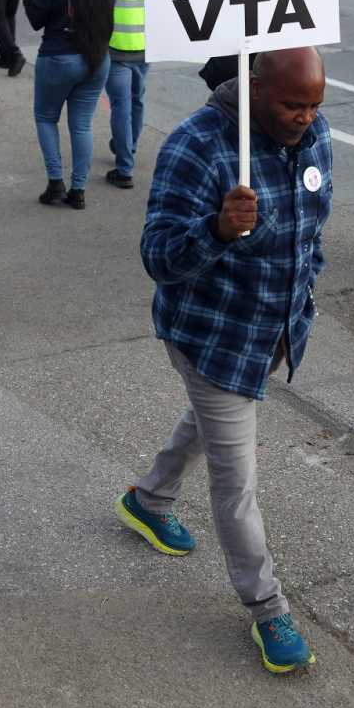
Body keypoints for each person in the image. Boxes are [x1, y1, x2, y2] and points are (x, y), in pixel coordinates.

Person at [122, 47, 332, 675]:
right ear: (256, 88)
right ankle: (267, 608)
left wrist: (307, 292)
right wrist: (215, 231)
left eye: (316, 106)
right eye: (294, 105)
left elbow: (313, 224)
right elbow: (159, 258)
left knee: (212, 424)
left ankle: (149, 500)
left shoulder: (315, 134)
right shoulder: (197, 145)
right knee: (236, 481)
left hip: (276, 331)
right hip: (213, 337)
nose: (306, 119)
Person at [13, 0, 113, 210]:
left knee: (46, 118)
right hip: (96, 61)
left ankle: (55, 182)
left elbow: (35, 19)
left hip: (58, 59)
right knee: (81, 126)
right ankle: (78, 190)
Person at [98, 0, 146, 189]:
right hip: (148, 42)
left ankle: (124, 168)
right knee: (137, 99)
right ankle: (129, 146)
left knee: (120, 105)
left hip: (116, 43)